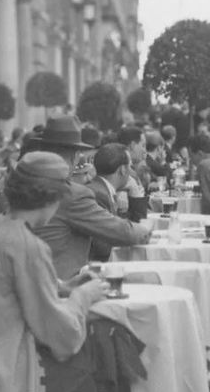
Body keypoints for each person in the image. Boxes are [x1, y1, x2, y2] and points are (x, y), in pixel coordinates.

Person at [0, 151, 108, 392]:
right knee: (107, 359)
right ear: (52, 198)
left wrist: (65, 287)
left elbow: (12, 293)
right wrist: (83, 297)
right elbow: (57, 332)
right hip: (5, 367)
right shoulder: (27, 245)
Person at [27, 117, 150, 279]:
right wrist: (147, 230)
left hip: (30, 282)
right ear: (76, 156)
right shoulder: (72, 194)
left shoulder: (25, 186)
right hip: (62, 284)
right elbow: (122, 232)